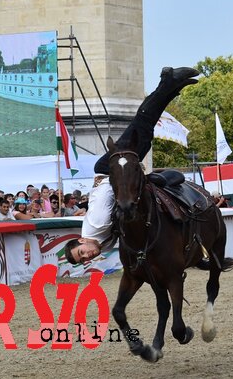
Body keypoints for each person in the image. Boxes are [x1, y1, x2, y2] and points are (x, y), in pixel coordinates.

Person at [66, 66, 201, 264]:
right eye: (84, 260)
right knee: (145, 128)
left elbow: (108, 190)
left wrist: (129, 176)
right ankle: (171, 86)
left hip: (110, 170)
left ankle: (168, 80)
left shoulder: (97, 224)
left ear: (81, 240)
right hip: (112, 169)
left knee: (143, 123)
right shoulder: (99, 240)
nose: (87, 256)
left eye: (81, 252)